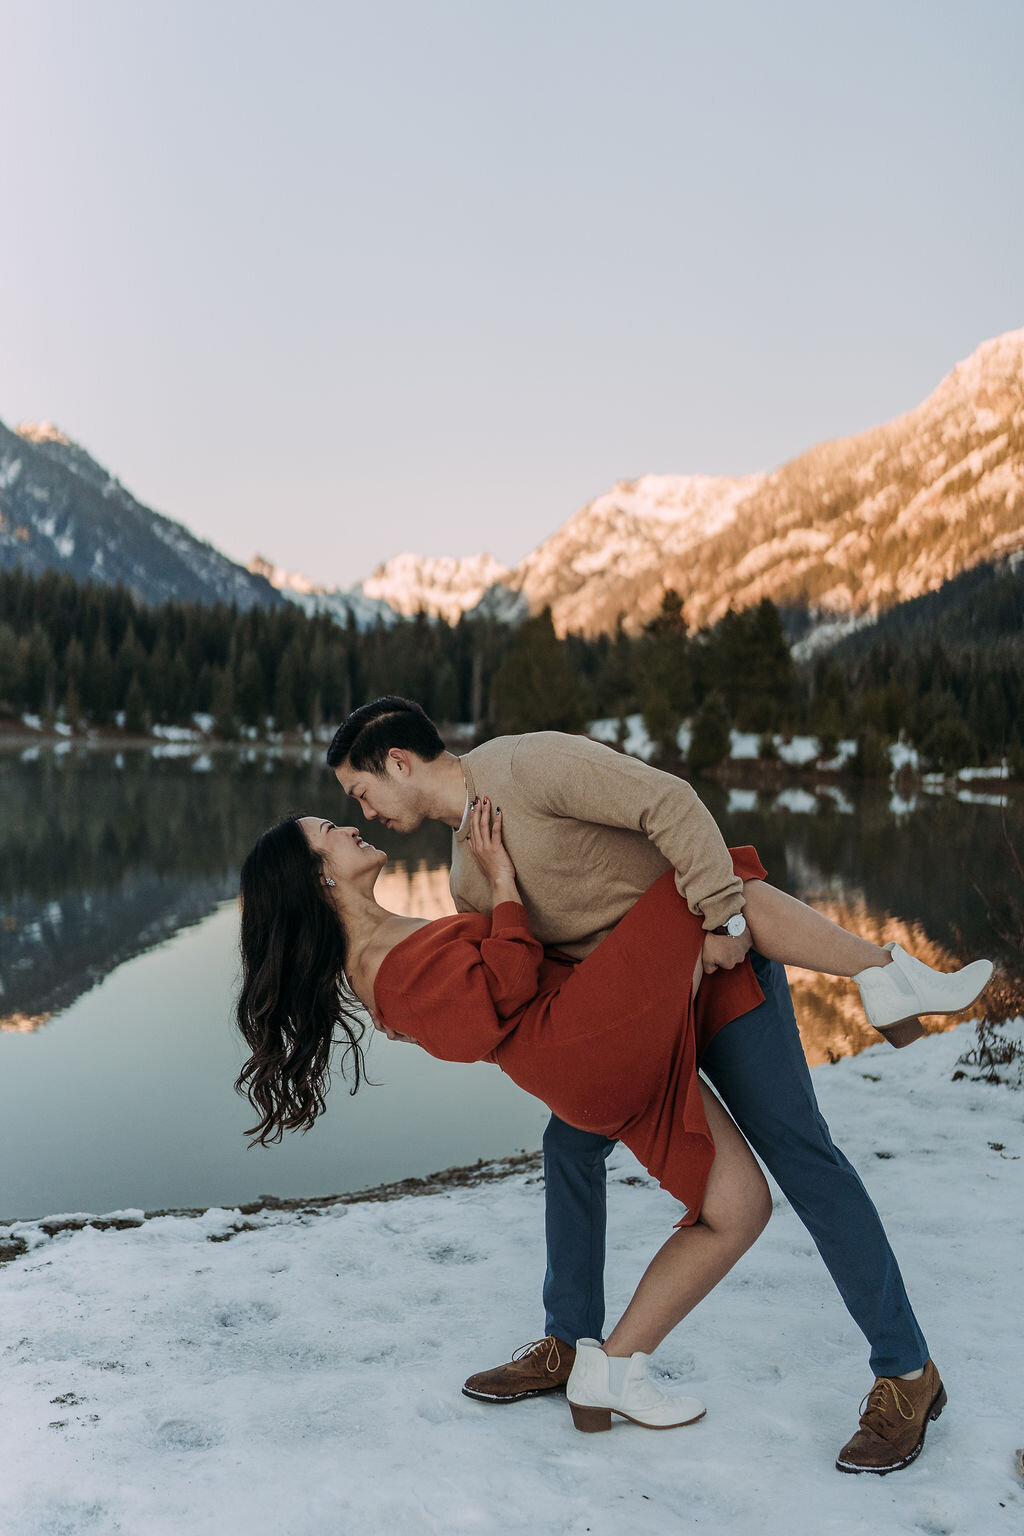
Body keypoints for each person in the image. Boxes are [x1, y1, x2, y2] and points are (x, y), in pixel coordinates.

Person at [318, 697, 992, 1474]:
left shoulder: (528, 766)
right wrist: (424, 1010)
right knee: (568, 1144)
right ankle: (570, 1347)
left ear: (398, 763)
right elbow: (529, 972)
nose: (364, 810)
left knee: (803, 1160)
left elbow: (666, 802)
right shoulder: (469, 869)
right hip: (641, 1013)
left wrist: (723, 922)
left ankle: (907, 1374)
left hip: (721, 976)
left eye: (362, 792)